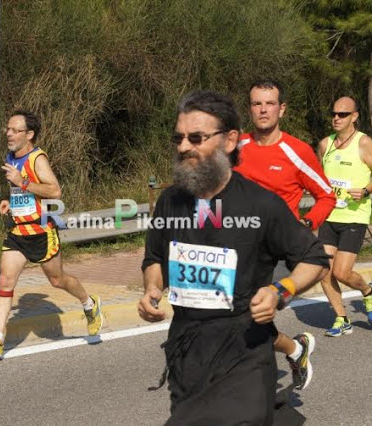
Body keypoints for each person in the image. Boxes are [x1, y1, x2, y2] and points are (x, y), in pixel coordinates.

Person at [138, 90, 329, 425]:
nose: (184, 147)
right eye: (179, 138)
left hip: (245, 350)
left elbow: (314, 258)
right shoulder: (170, 201)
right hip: (188, 353)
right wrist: (152, 289)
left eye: (196, 138)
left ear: (229, 140)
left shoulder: (260, 205)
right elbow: (154, 257)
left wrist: (279, 291)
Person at [0, 110, 103, 360]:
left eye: (15, 130)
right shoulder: (12, 156)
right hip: (19, 231)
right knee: (5, 283)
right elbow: (23, 191)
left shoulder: (37, 158)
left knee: (58, 280)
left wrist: (22, 183)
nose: (8, 134)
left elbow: (55, 191)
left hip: (42, 231)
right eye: (8, 129)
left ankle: (89, 303)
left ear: (29, 134)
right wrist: (10, 201)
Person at [233, 79, 336, 389]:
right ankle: (295, 349)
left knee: (252, 313)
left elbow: (327, 195)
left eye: (269, 104)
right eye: (256, 104)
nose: (263, 109)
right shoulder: (237, 147)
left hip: (282, 251)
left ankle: (258, 391)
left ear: (282, 109)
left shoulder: (297, 150)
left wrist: (308, 223)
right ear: (250, 108)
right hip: (242, 249)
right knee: (239, 318)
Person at [318, 97, 372, 336]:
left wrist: (367, 190)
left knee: (342, 272)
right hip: (329, 216)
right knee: (324, 272)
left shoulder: (363, 143)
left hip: (354, 217)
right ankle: (341, 318)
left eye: (343, 114)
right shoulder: (325, 144)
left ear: (354, 117)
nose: (336, 118)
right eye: (334, 113)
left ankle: (369, 292)